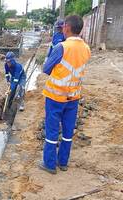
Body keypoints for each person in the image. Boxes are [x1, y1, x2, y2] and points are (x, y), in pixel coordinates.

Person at [39, 15, 91, 174]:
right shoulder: (86, 48)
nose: (61, 29)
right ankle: (63, 162)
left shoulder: (61, 47)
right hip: (73, 97)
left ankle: (49, 164)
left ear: (67, 27)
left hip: (56, 97)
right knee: (68, 132)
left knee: (52, 131)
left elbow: (46, 69)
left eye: (62, 27)